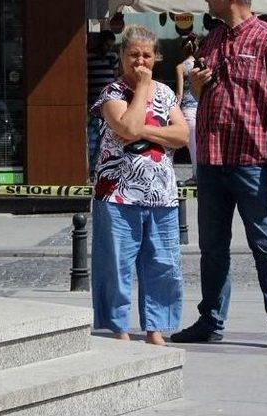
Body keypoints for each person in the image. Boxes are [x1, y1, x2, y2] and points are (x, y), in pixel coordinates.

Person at [170, 0, 267, 350]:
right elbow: (208, 96)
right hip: (213, 162)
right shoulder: (213, 38)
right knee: (212, 247)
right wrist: (198, 89)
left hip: (252, 159)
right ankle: (210, 320)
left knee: (265, 244)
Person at [90, 24, 188, 346]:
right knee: (116, 264)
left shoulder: (166, 93)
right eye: (134, 55)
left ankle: (155, 327)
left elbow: (182, 135)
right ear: (122, 57)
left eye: (147, 55)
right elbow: (127, 129)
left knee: (162, 263)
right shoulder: (112, 94)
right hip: (118, 193)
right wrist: (143, 91)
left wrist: (145, 130)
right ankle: (118, 326)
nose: (141, 62)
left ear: (156, 57)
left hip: (161, 194)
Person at [87, 30, 118, 179]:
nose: (108, 48)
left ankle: (100, 167)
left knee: (106, 136)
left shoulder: (113, 57)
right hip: (93, 100)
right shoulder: (89, 57)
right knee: (93, 136)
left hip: (110, 101)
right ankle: (92, 168)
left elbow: (116, 77)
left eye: (111, 46)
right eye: (106, 45)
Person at [176, 33, 200, 185]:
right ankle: (203, 176)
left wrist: (173, 110)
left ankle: (197, 176)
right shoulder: (201, 64)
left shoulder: (180, 67)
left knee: (192, 146)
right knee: (203, 144)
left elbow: (179, 93)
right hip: (203, 108)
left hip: (188, 109)